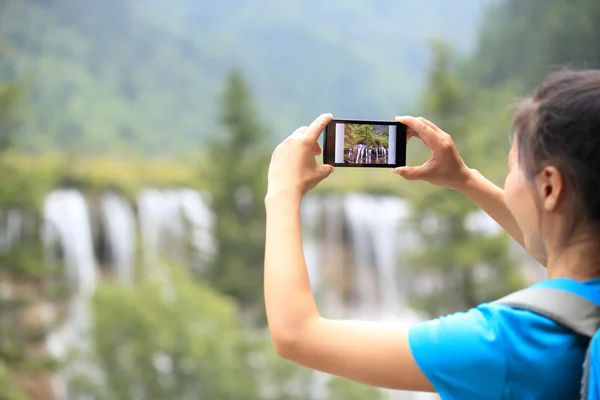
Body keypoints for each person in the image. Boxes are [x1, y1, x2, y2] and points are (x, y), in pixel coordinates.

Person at [263, 69, 600, 399]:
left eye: (512, 168)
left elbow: (296, 335)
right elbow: (556, 250)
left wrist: (282, 191)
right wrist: (464, 178)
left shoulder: (506, 343)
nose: (508, 183)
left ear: (550, 187)